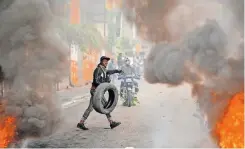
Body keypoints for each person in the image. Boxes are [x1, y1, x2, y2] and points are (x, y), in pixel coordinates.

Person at [77, 56, 123, 130]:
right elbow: (95, 81)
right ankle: (111, 122)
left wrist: (118, 71)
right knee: (104, 105)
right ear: (101, 61)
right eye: (105, 61)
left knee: (93, 107)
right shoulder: (98, 70)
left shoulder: (104, 70)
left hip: (98, 91)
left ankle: (81, 123)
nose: (106, 63)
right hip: (96, 91)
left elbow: (110, 72)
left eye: (107, 62)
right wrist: (103, 85)